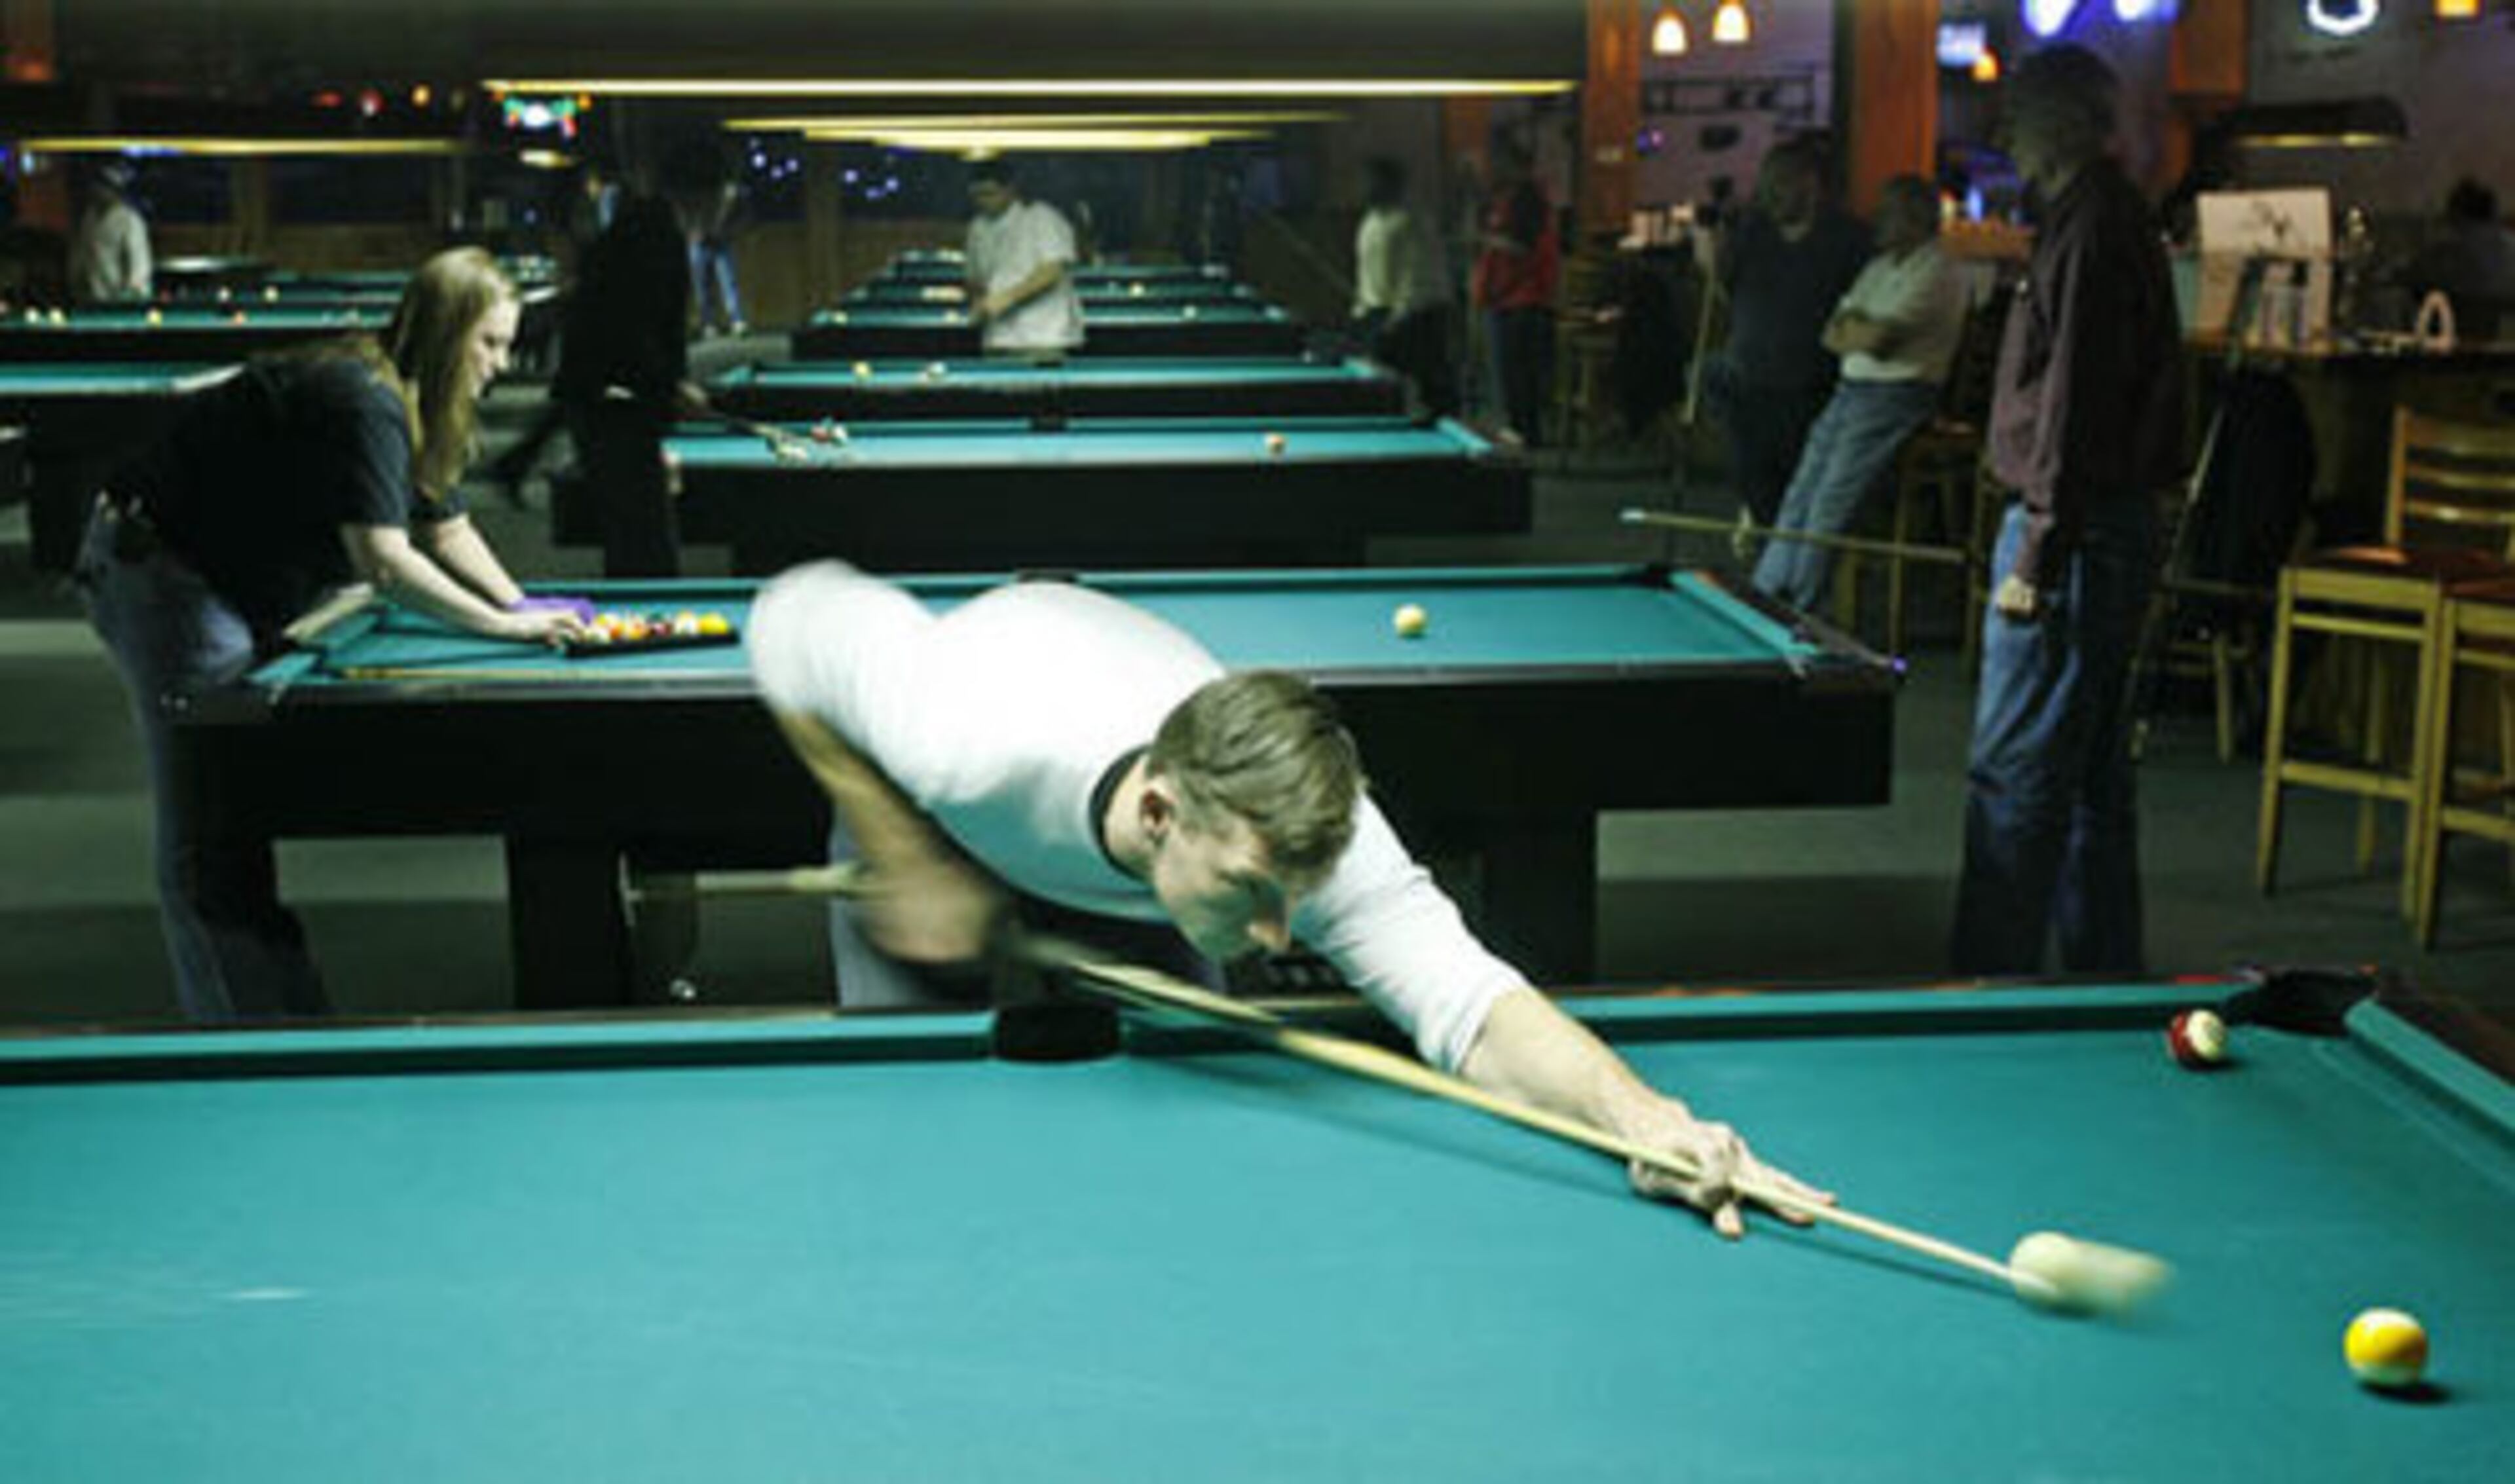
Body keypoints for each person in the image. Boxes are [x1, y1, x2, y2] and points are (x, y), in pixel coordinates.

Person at [747, 561, 1831, 1239]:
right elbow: (794, 616)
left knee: (1186, 1143)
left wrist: (1642, 1118)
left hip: (1125, 862)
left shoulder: (1312, 833)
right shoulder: (964, 739)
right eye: (1252, 894)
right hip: (939, 830)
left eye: (1294, 897)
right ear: (1164, 813)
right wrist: (894, 840)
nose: (1277, 938)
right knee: (909, 1133)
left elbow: (1470, 1006)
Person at [75, 248, 589, 1022]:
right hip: (162, 574)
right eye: (489, 343)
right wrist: (500, 629)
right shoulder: (367, 401)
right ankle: (244, 1049)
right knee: (208, 827)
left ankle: (280, 1020)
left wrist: (523, 606)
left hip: (220, 571)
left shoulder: (403, 395)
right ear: (446, 334)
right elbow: (384, 560)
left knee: (235, 817)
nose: (501, 363)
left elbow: (445, 530)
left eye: (508, 344)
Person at [1950, 45, 2184, 977]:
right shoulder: (2100, 215)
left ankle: (1978, 990)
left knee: (2013, 773)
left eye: (2021, 110)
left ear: (2071, 121)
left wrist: (2035, 555)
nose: (2005, 128)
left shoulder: (2090, 224)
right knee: (2090, 780)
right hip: (2102, 527)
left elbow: (2075, 403)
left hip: (2076, 535)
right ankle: (2102, 982)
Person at [1752, 174, 1973, 611]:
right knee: (1803, 488)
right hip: (1852, 388)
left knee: (1832, 498)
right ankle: (1765, 593)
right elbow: (1832, 335)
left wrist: (1861, 330)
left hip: (1899, 394)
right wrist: (1862, 331)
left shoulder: (1940, 270)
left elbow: (1876, 340)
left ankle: (1798, 606)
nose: (1877, 219)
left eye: (1888, 211)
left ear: (1916, 218)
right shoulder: (1879, 267)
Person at [1710, 138, 1871, 530]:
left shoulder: (1847, 237)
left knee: (1797, 485)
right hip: (1747, 378)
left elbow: (1864, 306)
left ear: (1811, 185)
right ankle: (1771, 543)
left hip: (1811, 384)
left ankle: (1781, 556)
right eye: (1766, 185)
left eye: (1781, 184)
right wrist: (1720, 242)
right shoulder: (1753, 231)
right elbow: (1723, 288)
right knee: (1750, 473)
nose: (1771, 194)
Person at [553, 189, 703, 577]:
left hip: (604, 398)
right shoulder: (658, 237)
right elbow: (631, 330)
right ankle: (650, 623)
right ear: (712, 192)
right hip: (615, 402)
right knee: (644, 538)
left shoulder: (639, 227)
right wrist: (670, 386)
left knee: (634, 534)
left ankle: (645, 619)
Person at [1352, 158, 1460, 418]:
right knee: (1383, 393)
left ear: (1389, 185)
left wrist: (1395, 321)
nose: (1362, 188)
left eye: (1368, 182)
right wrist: (1360, 310)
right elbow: (1366, 271)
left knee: (1432, 393)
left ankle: (1449, 454)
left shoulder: (1413, 220)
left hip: (1419, 316)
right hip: (1379, 313)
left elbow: (1416, 279)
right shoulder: (1370, 220)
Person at [1470, 136, 1559, 446]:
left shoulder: (1528, 197)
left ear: (1512, 163)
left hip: (1522, 299)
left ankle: (1523, 433)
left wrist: (1485, 241)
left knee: (1517, 376)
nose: (1492, 168)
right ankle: (1520, 430)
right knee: (1512, 375)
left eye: (1496, 162)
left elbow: (1523, 246)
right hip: (1507, 298)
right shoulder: (1510, 196)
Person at [964, 161, 1084, 357]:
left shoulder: (1043, 217)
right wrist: (978, 302)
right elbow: (975, 279)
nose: (982, 201)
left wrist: (1007, 298)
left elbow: (1052, 271)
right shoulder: (977, 228)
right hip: (998, 337)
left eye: (989, 193)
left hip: (1044, 336)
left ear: (1010, 190)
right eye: (976, 195)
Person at [2405, 177, 2515, 342]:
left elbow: (2417, 276)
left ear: (2456, 215)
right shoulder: (2508, 243)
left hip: (2468, 341)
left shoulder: (2454, 250)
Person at [67, 160, 152, 304]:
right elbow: (81, 255)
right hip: (91, 299)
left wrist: (132, 294)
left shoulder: (130, 220)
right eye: (96, 185)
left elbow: (140, 265)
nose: (96, 190)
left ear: (115, 191)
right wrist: (75, 282)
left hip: (122, 301)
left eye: (102, 186)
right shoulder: (89, 217)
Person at [688, 176, 748, 337]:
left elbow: (738, 217)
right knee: (703, 286)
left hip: (721, 241)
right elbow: (687, 213)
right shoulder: (692, 194)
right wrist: (692, 232)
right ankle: (709, 323)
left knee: (728, 281)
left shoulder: (726, 194)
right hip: (699, 241)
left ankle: (736, 320)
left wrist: (727, 232)